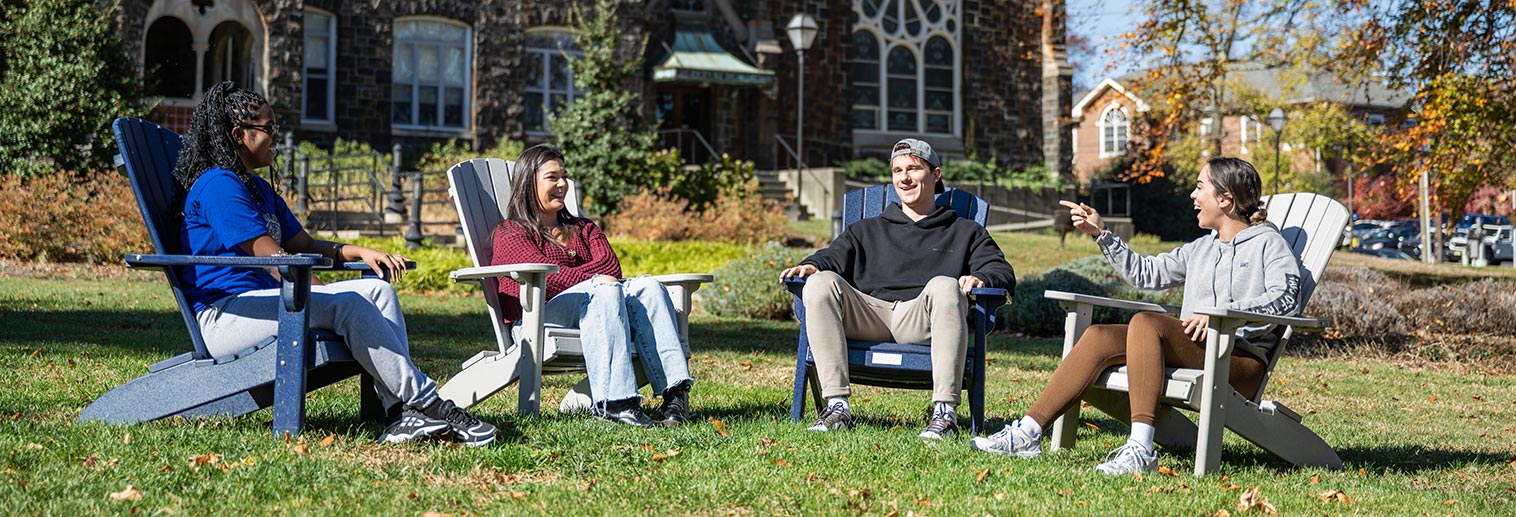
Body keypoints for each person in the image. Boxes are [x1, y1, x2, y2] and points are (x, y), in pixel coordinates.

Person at [173, 82, 497, 446]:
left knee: (378, 290)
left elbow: (305, 245)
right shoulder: (218, 185)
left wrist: (359, 252)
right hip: (227, 315)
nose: (277, 137)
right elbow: (275, 259)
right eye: (269, 129)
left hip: (270, 303)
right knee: (350, 304)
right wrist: (320, 292)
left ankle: (399, 414)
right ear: (238, 134)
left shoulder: (257, 189)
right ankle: (429, 404)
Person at [970, 157, 1303, 475]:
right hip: (1199, 350)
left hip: (1239, 361)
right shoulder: (1201, 248)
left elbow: (1286, 298)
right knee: (1100, 335)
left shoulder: (1268, 244)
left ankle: (1142, 448)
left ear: (1225, 199)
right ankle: (1028, 433)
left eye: (1200, 187)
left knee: (1146, 323)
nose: (1193, 195)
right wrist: (1102, 234)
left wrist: (1224, 316)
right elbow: (1146, 274)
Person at [779, 138, 1016, 440]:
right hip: (868, 316)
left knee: (946, 285)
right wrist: (811, 266)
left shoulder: (965, 230)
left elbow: (1002, 271)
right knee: (820, 282)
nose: (904, 178)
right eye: (897, 170)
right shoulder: (866, 229)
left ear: (935, 174)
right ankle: (837, 408)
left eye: (914, 169)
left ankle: (944, 414)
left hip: (921, 321)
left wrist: (982, 278)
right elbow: (831, 257)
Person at [490, 144, 694, 428]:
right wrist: (594, 280)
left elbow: (611, 268)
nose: (563, 184)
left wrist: (596, 281)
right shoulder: (511, 233)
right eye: (552, 177)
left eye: (564, 176)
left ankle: (675, 395)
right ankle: (617, 403)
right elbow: (548, 280)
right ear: (528, 183)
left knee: (649, 285)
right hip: (539, 320)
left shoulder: (584, 228)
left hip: (597, 311)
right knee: (606, 289)